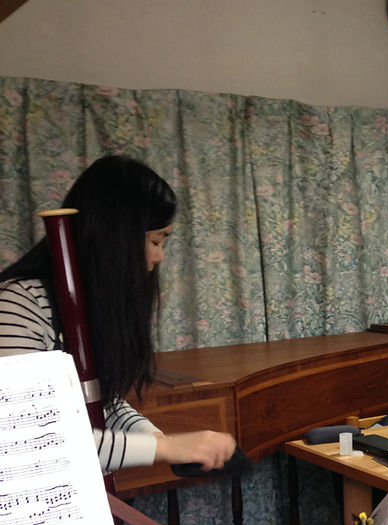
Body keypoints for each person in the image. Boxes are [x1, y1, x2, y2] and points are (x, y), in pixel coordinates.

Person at [0, 154, 236, 474]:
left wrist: (159, 439)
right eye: (155, 241)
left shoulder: (91, 301)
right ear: (117, 240)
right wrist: (165, 448)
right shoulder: (19, 304)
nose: (159, 256)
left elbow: (101, 403)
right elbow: (28, 439)